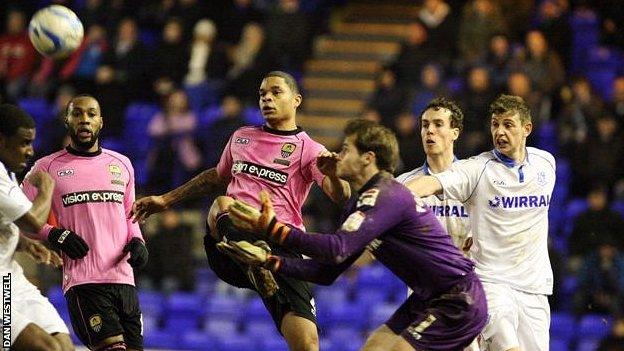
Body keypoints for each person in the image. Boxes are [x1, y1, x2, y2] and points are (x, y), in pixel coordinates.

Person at [220, 119, 487, 351]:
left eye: (346, 149)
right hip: (428, 297)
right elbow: (326, 272)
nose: (338, 154)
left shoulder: (388, 195)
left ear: (367, 158)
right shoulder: (363, 202)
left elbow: (336, 247)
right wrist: (270, 261)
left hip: (458, 298)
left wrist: (273, 229)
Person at [131, 71, 350, 351]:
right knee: (223, 203)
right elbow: (215, 177)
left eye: (275, 92)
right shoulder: (242, 137)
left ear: (296, 100)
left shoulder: (309, 150)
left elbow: (339, 195)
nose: (267, 98)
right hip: (231, 243)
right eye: (262, 94)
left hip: (280, 244)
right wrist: (166, 200)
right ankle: (251, 260)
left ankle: (260, 265)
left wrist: (332, 176)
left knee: (307, 343)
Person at [406, 94, 556, 351]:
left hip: (535, 287)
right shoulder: (478, 168)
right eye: (495, 124)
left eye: (508, 125)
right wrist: (395, 196)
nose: (500, 131)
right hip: (491, 284)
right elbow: (432, 182)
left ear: (526, 129)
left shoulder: (545, 163)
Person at [21, 95, 148, 351]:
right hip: (84, 281)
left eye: (91, 114)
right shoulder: (45, 168)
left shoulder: (122, 164)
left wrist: (138, 240)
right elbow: (21, 218)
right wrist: (54, 234)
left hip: (124, 280)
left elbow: (129, 214)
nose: (84, 120)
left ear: (101, 122)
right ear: (66, 120)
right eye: (77, 114)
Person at [393, 97, 475, 351]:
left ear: (455, 133)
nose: (430, 130)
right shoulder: (404, 183)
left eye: (438, 124)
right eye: (425, 124)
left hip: (470, 296)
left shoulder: (476, 178)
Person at [0, 103, 74, 351]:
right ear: (1, 141)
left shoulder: (7, 172)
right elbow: (34, 221)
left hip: (12, 282)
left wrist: (25, 244)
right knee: (46, 349)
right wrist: (48, 187)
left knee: (63, 347)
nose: (30, 151)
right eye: (23, 143)